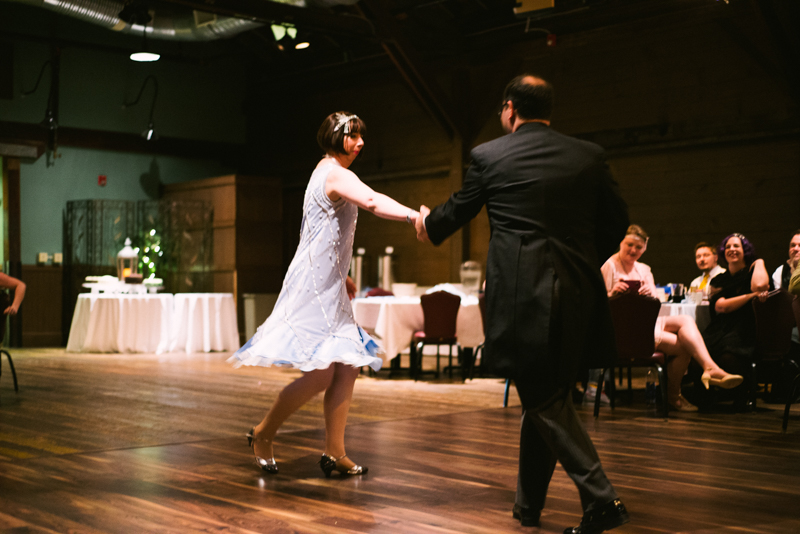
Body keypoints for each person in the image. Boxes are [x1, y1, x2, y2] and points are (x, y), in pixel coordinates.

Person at [416, 75, 630, 533]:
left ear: (510, 109)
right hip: (578, 292)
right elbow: (618, 221)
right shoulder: (588, 156)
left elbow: (456, 211)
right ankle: (527, 507)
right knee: (547, 393)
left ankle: (602, 498)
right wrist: (581, 257)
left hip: (522, 294)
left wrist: (426, 225)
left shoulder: (490, 155)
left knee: (542, 396)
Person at [230, 112, 419, 477]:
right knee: (321, 372)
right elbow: (374, 201)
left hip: (326, 282)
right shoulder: (334, 173)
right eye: (353, 135)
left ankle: (334, 451)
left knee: (348, 365)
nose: (361, 143)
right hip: (314, 286)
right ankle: (263, 433)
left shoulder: (326, 172)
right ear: (335, 137)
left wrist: (342, 272)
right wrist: (414, 217)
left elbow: (322, 230)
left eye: (362, 136)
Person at [601, 225, 743, 412]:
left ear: (644, 248)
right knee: (685, 346)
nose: (634, 250)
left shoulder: (644, 269)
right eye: (629, 245)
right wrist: (611, 293)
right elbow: (598, 305)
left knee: (685, 320)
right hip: (621, 330)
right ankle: (674, 395)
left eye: (639, 247)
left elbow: (655, 304)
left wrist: (648, 294)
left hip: (647, 324)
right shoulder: (609, 266)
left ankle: (709, 368)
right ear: (621, 243)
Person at [702, 233, 771, 408]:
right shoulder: (719, 279)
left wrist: (759, 262)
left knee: (728, 356)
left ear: (745, 250)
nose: (732, 249)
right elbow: (721, 306)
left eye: (737, 246)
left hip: (744, 329)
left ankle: (741, 393)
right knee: (700, 354)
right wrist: (751, 296)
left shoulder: (752, 273)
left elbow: (761, 286)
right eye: (728, 246)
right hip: (721, 328)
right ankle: (709, 397)